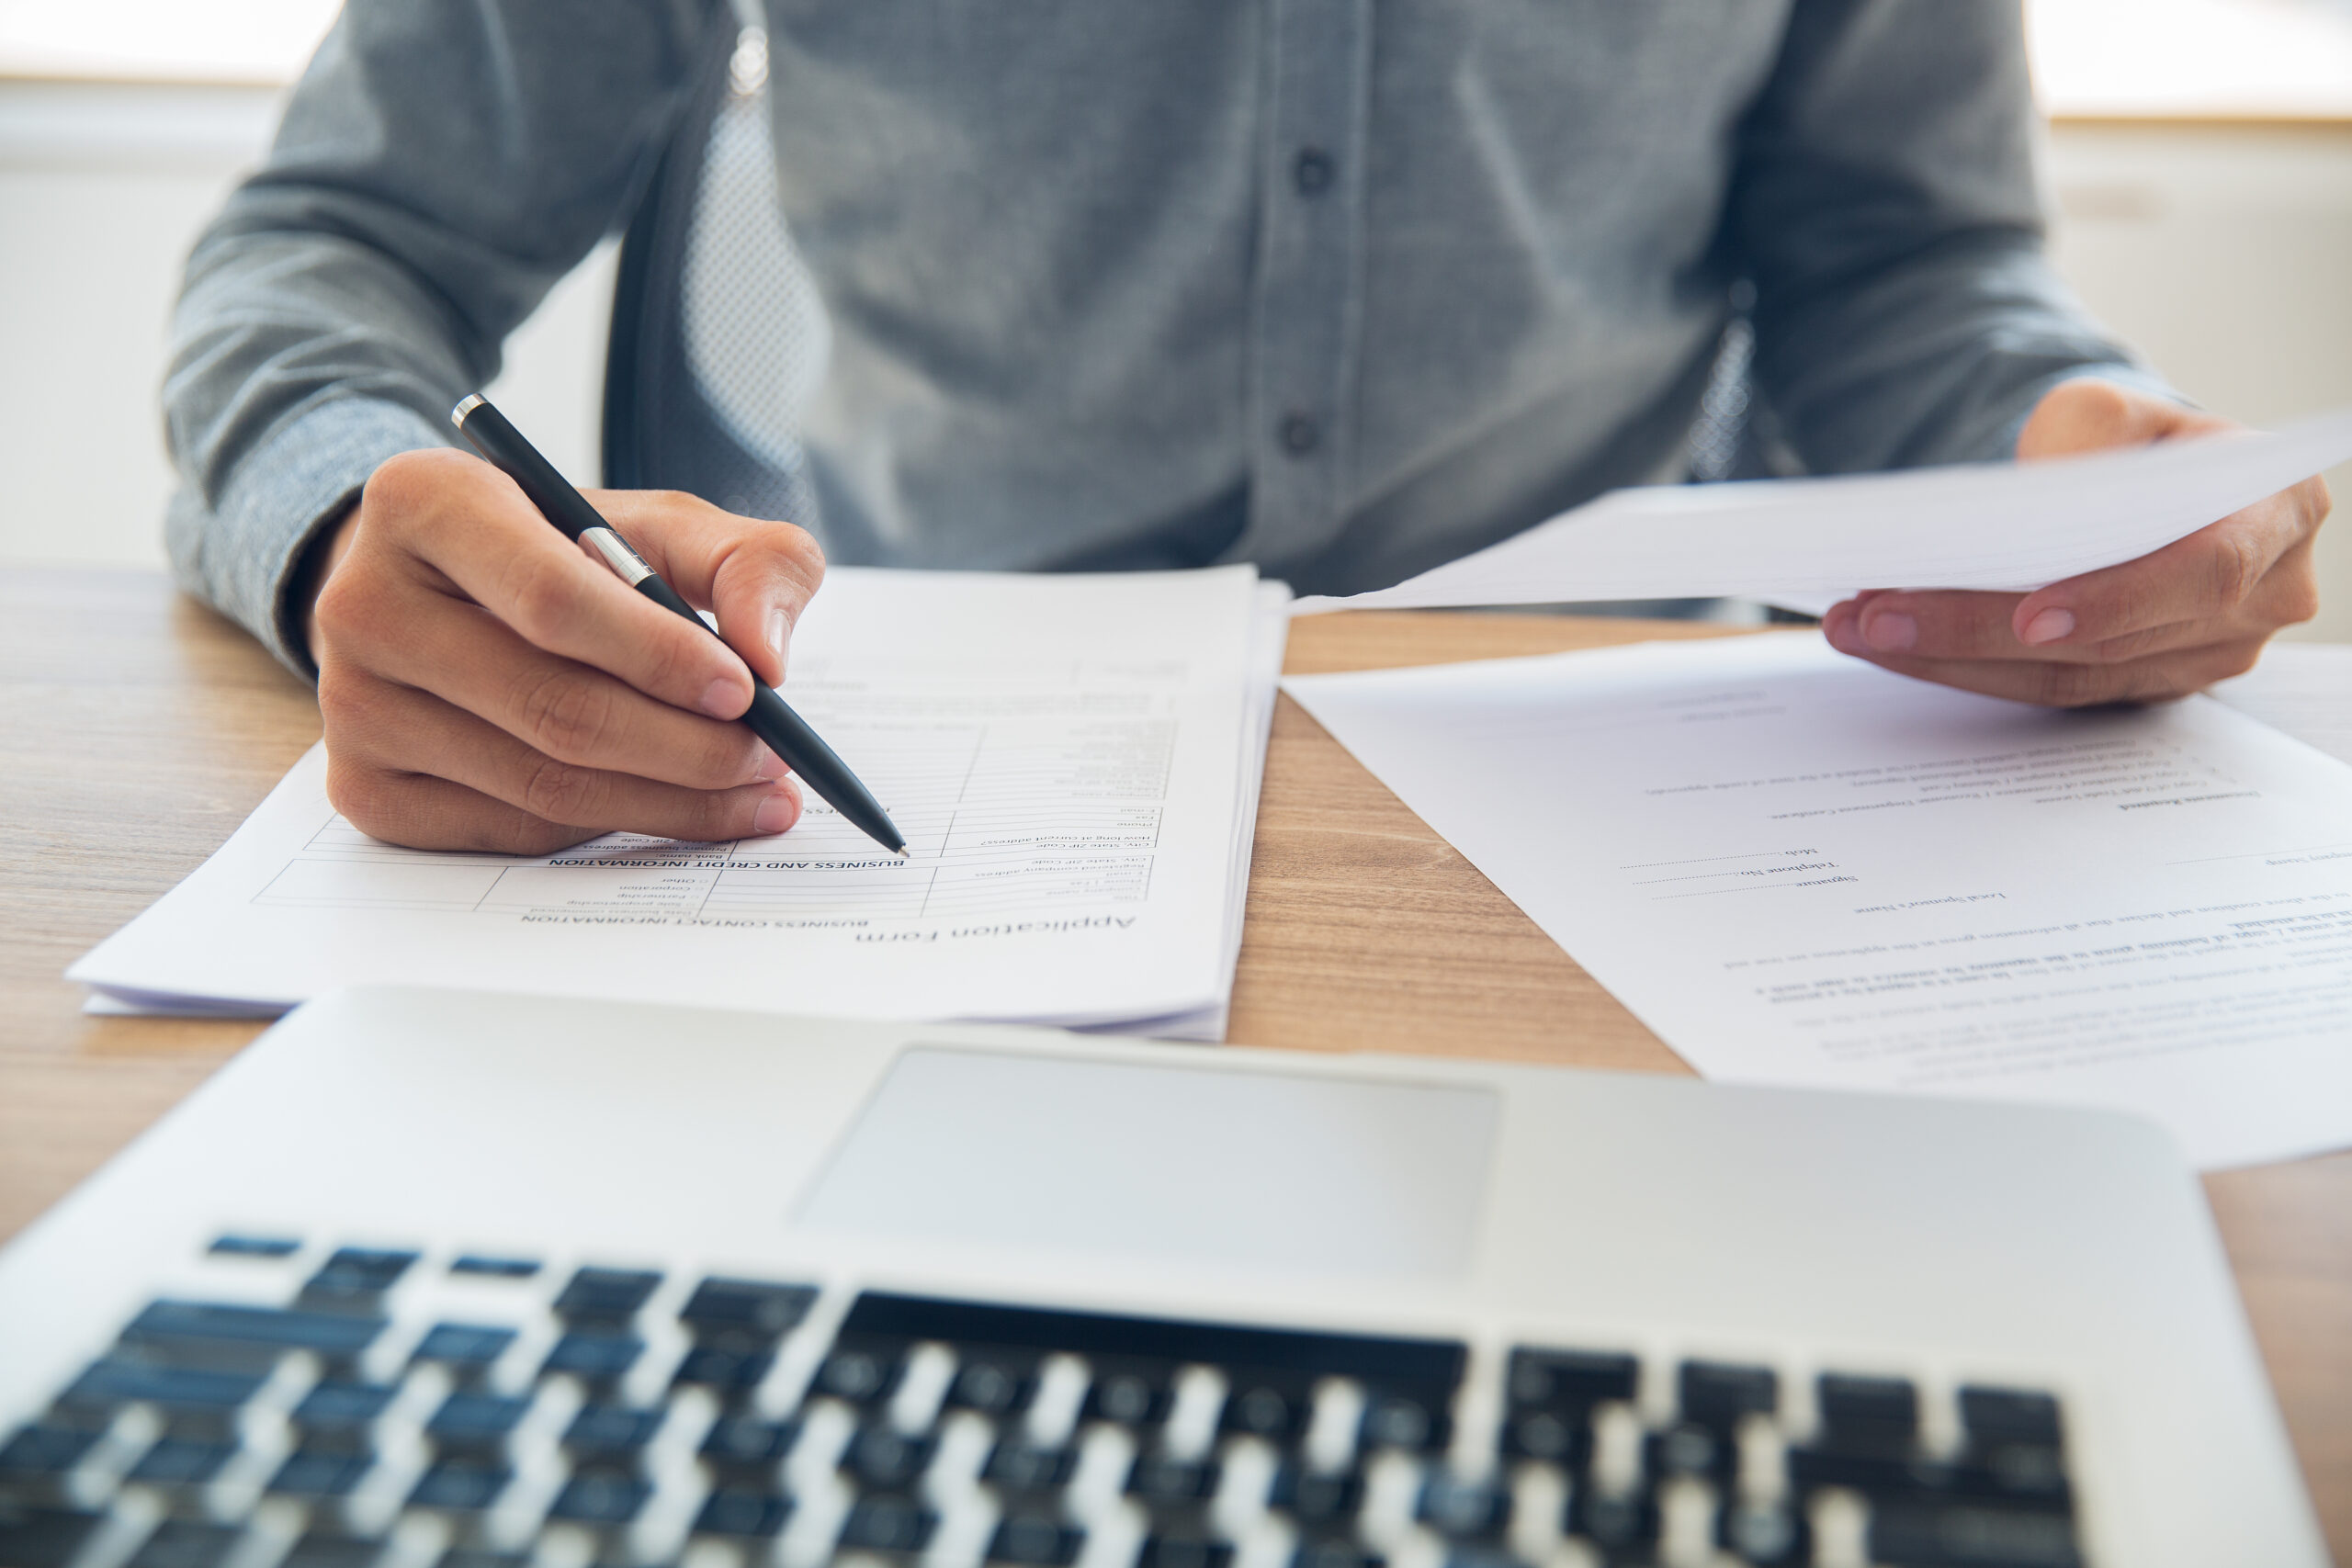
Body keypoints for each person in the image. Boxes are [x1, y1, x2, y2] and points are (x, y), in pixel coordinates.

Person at [164, 1, 2330, 856]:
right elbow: (332, 245)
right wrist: (348, 513)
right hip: (917, 791)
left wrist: (2061, 452)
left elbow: (1898, 259)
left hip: (1624, 802)